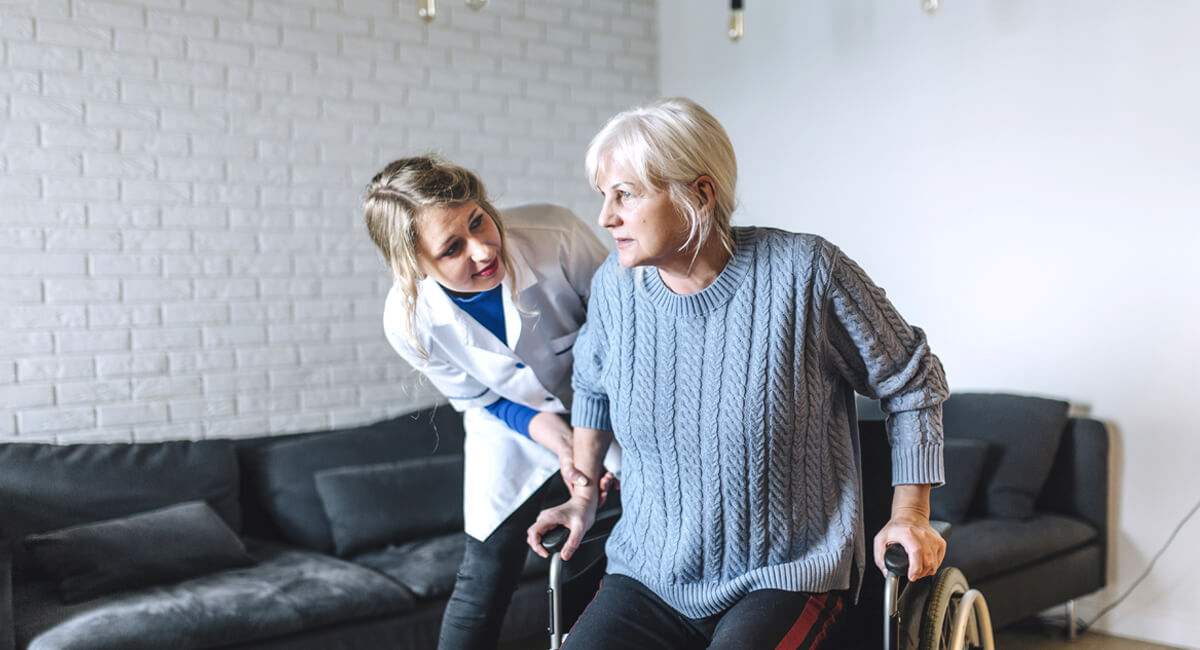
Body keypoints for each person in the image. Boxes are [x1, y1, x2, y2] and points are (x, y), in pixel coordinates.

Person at [526, 98, 950, 649]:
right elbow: (591, 386)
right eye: (604, 197)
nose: (606, 217)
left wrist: (911, 514)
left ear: (699, 194)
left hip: (786, 574)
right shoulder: (615, 286)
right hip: (650, 574)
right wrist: (581, 498)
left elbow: (913, 380)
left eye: (625, 195)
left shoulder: (806, 274)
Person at [363, 155, 614, 649]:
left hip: (614, 405)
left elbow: (624, 336)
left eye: (478, 220)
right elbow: (481, 398)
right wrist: (559, 440)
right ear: (414, 264)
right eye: (452, 247)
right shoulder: (408, 320)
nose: (482, 249)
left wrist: (586, 443)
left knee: (599, 550)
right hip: (511, 425)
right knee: (485, 568)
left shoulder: (554, 234)